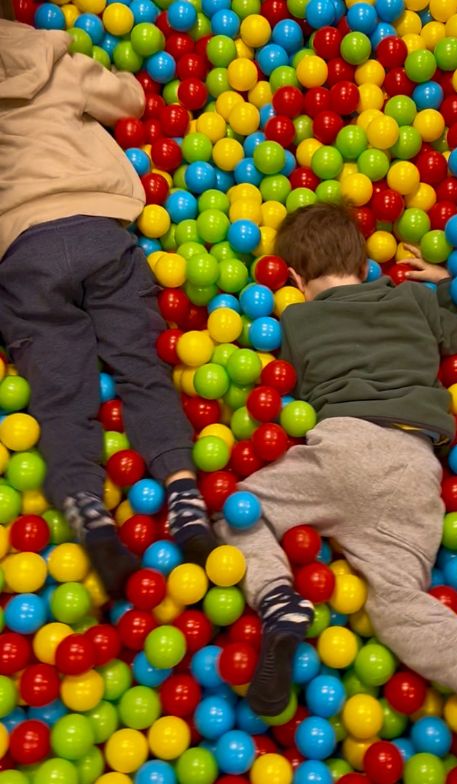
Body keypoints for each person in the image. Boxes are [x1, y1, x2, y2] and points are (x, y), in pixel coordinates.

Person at [215, 202, 457, 784]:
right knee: (397, 603)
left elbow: (287, 385)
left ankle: (278, 601)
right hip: (416, 467)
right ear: (367, 262)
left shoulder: (296, 322)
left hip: (343, 449)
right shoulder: (412, 300)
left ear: (295, 280)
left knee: (239, 509)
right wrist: (444, 285)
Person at [0, 4, 217, 599]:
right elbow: (131, 102)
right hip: (98, 230)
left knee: (59, 393)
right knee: (141, 365)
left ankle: (87, 511)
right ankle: (182, 492)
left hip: (23, 251)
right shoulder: (53, 58)